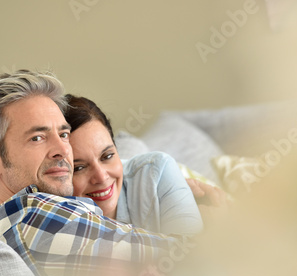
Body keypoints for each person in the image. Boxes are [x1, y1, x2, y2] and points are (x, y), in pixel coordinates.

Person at [0, 69, 194, 276]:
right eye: (37, 138)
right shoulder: (35, 219)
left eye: (63, 134)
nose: (63, 150)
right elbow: (193, 260)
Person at [65, 94, 204, 235]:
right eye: (79, 168)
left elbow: (189, 249)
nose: (101, 177)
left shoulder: (157, 172)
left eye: (107, 156)